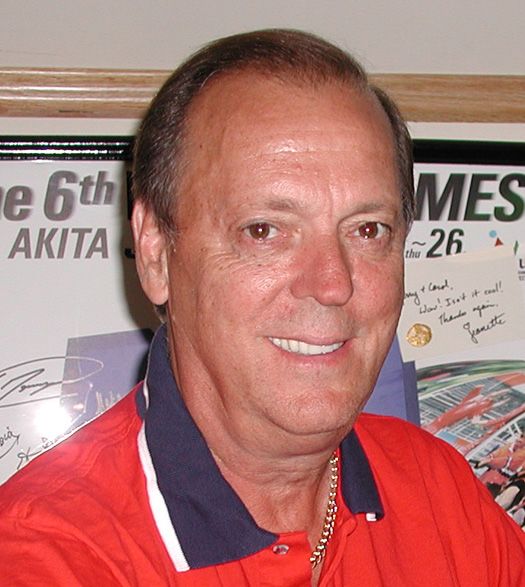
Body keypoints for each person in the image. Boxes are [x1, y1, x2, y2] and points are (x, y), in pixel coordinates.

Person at [0, 29, 523, 587]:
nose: (333, 284)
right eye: (264, 231)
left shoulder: (438, 491)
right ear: (155, 253)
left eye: (368, 230)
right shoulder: (46, 557)